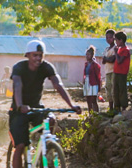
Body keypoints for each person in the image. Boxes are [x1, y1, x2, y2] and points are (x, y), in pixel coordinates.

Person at [9, 40, 81, 168]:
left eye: (40, 55)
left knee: (51, 119)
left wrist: (72, 105)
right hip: (18, 111)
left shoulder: (46, 67)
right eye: (34, 55)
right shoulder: (19, 68)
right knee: (20, 146)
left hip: (36, 108)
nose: (38, 58)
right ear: (28, 55)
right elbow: (17, 85)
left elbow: (58, 85)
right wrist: (20, 106)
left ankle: (46, 149)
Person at [113, 31, 131, 112]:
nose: (116, 42)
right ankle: (117, 107)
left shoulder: (125, 50)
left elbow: (120, 60)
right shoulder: (120, 49)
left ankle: (123, 107)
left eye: (116, 40)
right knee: (115, 90)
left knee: (122, 90)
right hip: (116, 72)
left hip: (122, 73)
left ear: (121, 40)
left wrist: (116, 52)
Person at [83, 45, 101, 114]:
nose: (87, 56)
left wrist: (99, 86)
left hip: (93, 83)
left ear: (92, 55)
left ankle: (96, 114)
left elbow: (98, 76)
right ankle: (90, 114)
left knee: (94, 100)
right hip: (87, 83)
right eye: (86, 55)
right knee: (88, 100)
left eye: (88, 55)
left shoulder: (95, 65)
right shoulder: (86, 64)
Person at [102, 29, 116, 112]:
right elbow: (104, 61)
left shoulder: (115, 48)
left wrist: (107, 59)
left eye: (110, 37)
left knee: (113, 89)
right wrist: (107, 59)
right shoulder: (107, 49)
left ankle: (115, 107)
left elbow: (112, 59)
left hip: (113, 71)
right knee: (108, 89)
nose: (108, 39)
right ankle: (110, 107)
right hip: (107, 71)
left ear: (114, 38)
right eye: (107, 37)